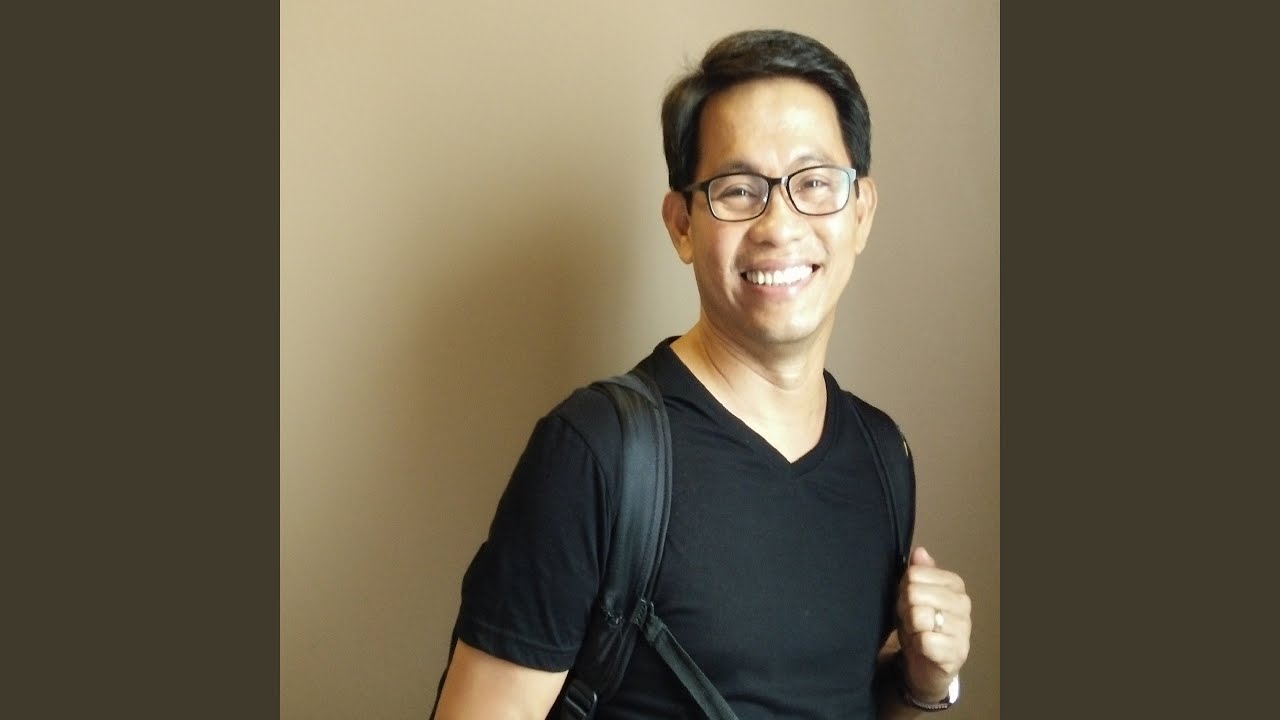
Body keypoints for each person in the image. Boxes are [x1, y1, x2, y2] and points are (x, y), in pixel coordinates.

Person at [430, 29, 972, 719]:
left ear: (861, 212)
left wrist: (925, 683)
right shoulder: (596, 453)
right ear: (682, 224)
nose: (779, 225)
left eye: (813, 183)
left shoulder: (883, 455)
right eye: (739, 190)